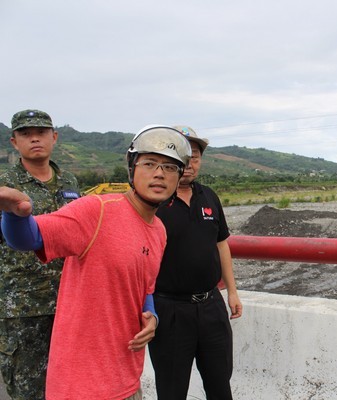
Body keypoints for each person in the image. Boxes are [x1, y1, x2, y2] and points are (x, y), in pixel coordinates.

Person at [0, 125, 192, 399]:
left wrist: (152, 317)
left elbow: (145, 289)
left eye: (170, 168)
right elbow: (29, 238)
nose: (159, 173)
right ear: (132, 169)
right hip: (81, 385)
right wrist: (16, 214)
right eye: (149, 163)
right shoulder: (97, 210)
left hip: (126, 378)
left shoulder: (159, 231)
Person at [149, 125, 242, 400]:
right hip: (169, 310)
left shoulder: (209, 196)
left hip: (212, 306)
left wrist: (232, 292)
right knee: (172, 389)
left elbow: (221, 243)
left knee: (220, 385)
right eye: (181, 153)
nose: (189, 163)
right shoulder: (153, 201)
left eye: (195, 156)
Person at [0, 109, 79, 399]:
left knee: (69, 386)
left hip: (68, 302)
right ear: (13, 142)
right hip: (22, 307)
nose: (34, 138)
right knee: (28, 390)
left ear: (54, 137)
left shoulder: (69, 181)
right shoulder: (4, 184)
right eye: (25, 133)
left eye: (42, 132)